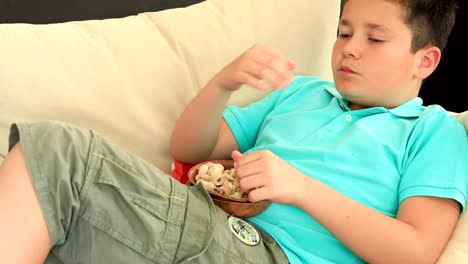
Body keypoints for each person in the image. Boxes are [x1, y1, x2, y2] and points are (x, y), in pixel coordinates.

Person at [1, 0, 467, 263]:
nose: (351, 50)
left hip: (266, 254)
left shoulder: (434, 132)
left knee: (59, 156)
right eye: (344, 33)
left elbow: (416, 253)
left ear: (425, 60)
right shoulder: (302, 93)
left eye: (375, 38)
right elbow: (188, 147)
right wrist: (224, 83)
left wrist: (300, 188)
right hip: (203, 221)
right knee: (50, 161)